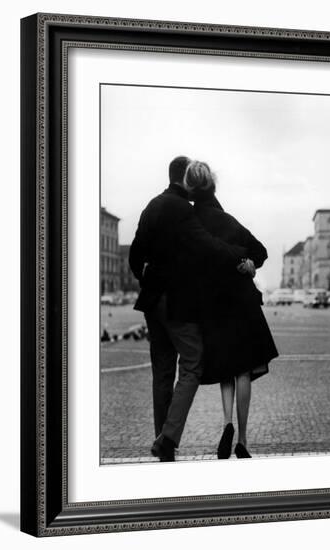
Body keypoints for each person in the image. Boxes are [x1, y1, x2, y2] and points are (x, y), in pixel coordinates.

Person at [129, 156, 254, 461]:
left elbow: (135, 255)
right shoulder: (183, 210)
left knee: (161, 372)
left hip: (151, 300)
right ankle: (169, 437)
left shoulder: (151, 206)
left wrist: (149, 280)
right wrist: (240, 255)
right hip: (176, 300)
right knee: (193, 363)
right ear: (185, 177)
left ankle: (164, 446)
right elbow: (207, 245)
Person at [184, 160, 279, 459]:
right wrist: (249, 262)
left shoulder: (190, 221)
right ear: (213, 185)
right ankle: (244, 439)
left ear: (189, 186)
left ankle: (226, 423)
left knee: (226, 368)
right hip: (242, 302)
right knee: (243, 371)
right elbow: (260, 251)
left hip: (212, 305)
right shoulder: (228, 221)